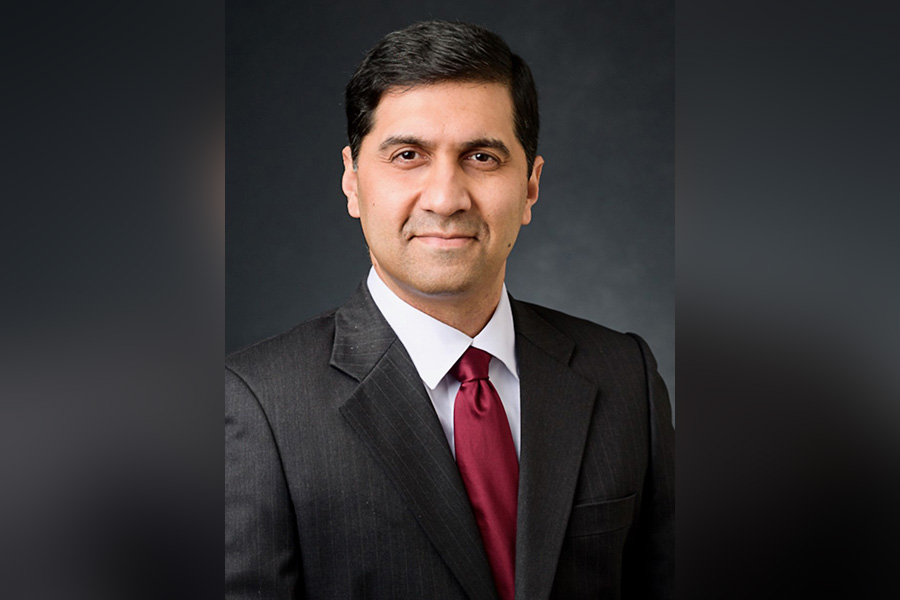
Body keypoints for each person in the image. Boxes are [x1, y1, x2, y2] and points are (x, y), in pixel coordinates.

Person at [226, 20, 674, 600]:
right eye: (408, 155)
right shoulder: (255, 405)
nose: (445, 198)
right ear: (353, 181)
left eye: (482, 156)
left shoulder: (624, 375)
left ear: (530, 185)